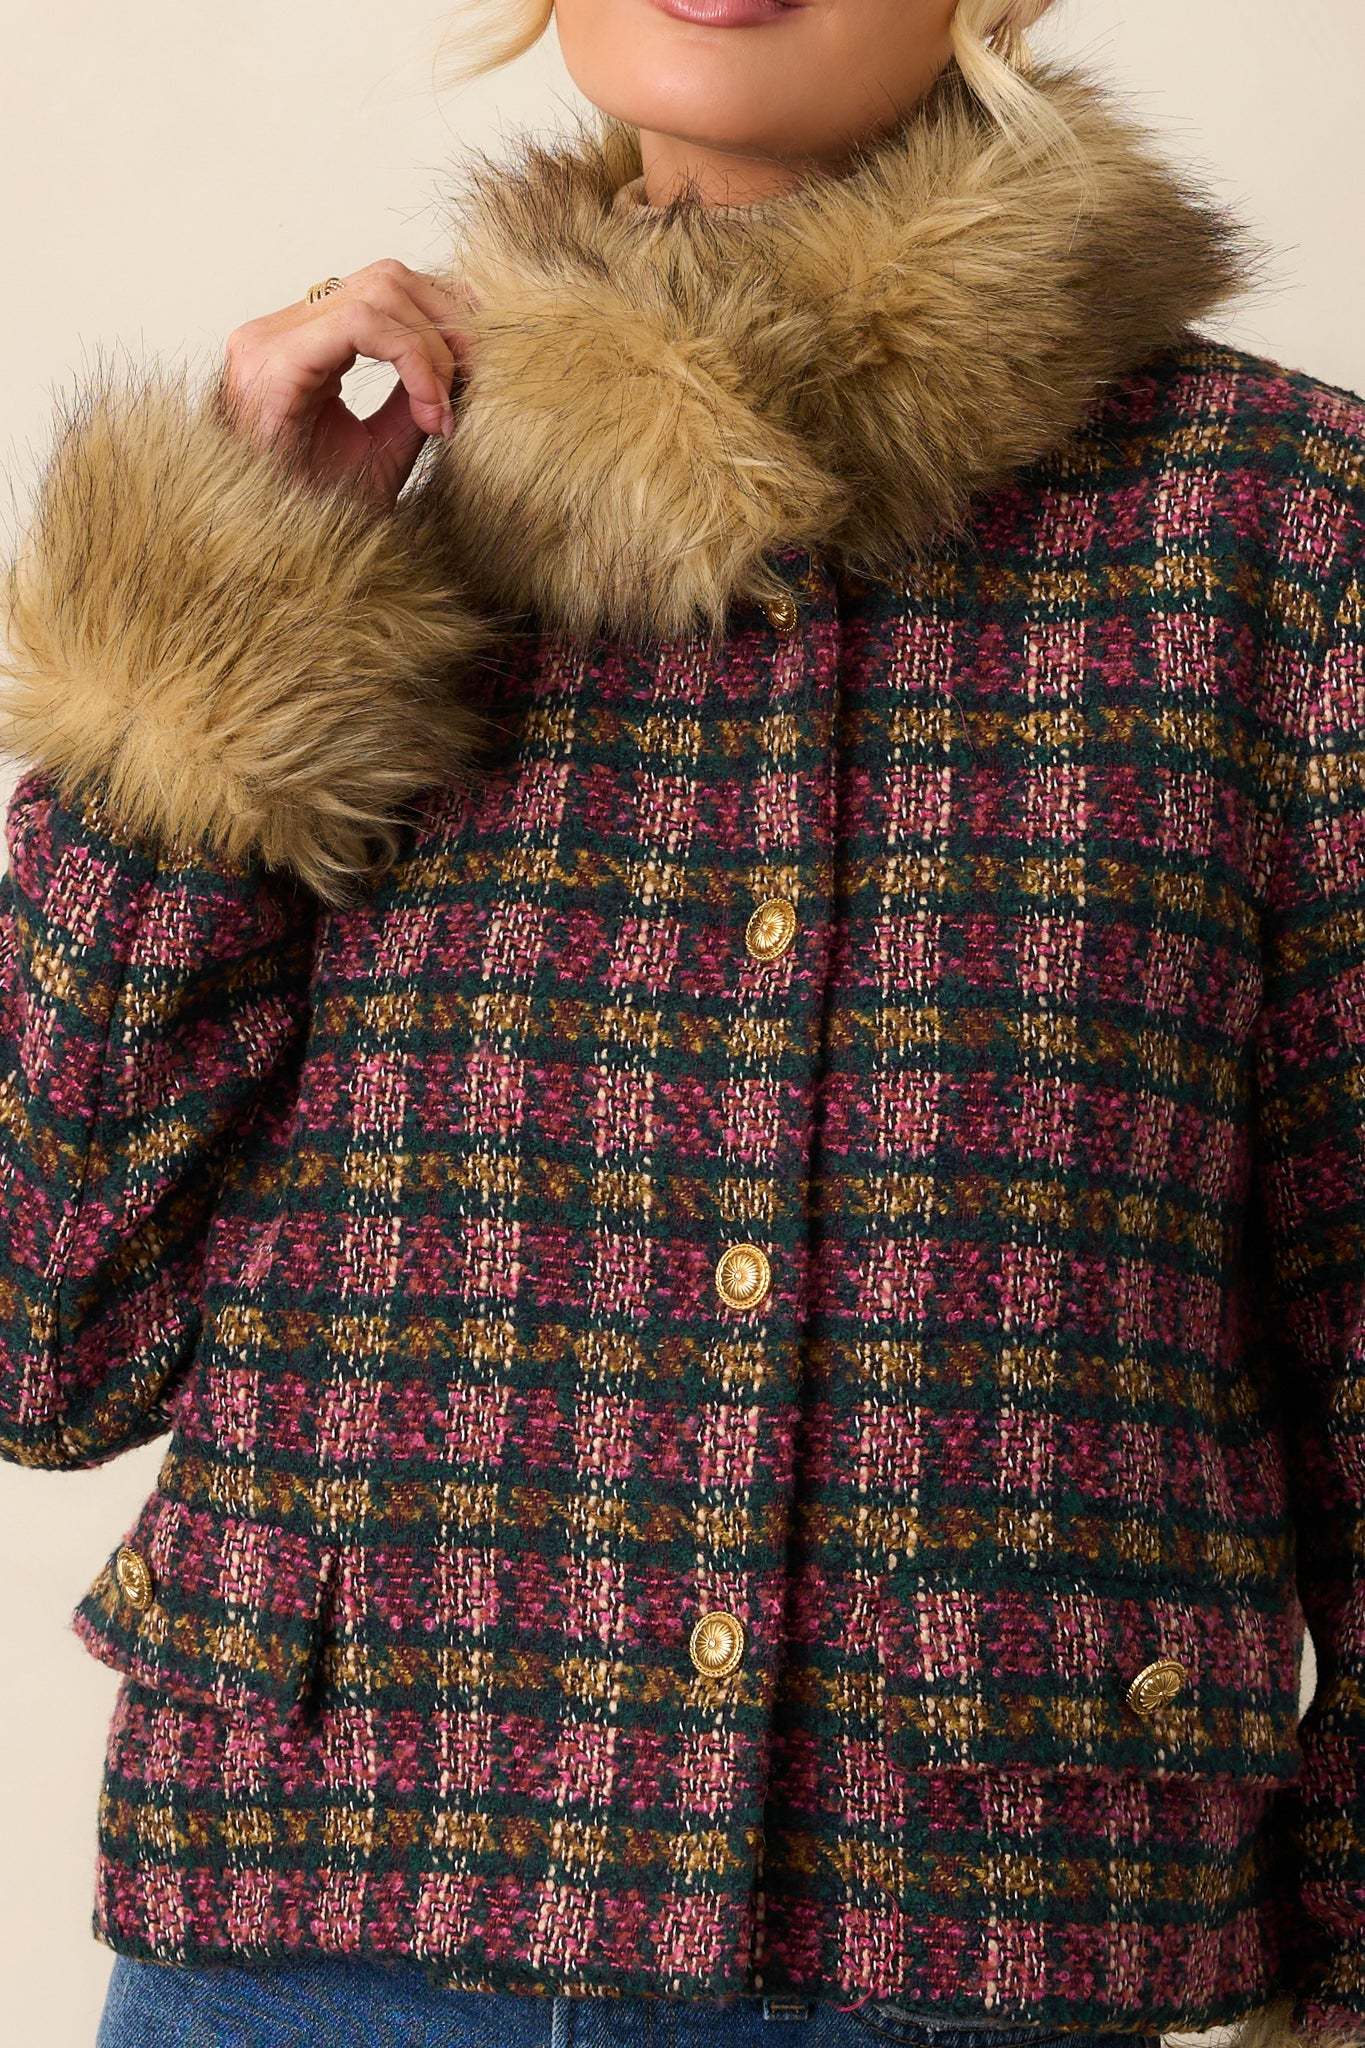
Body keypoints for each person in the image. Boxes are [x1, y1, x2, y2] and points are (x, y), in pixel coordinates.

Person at [1, 0, 1362, 2043]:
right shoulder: (353, 499)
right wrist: (207, 626)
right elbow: (44, 1341)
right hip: (318, 1928)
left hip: (959, 1939)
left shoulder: (1276, 535)